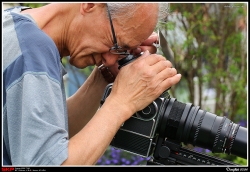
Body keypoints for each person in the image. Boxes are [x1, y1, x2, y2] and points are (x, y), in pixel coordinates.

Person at [2, 3, 181, 165]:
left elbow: (46, 137)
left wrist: (104, 77)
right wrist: (121, 103)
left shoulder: (14, 25)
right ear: (90, 4)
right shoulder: (32, 53)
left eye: (122, 52)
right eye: (117, 45)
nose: (112, 60)